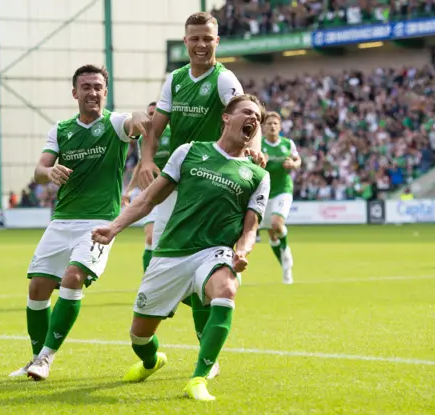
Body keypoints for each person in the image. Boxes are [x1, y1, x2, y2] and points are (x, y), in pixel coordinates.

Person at [93, 94, 270, 401]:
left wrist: (242, 252)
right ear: (227, 118)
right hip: (171, 253)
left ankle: (199, 377)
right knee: (140, 336)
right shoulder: (189, 152)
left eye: (258, 116)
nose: (253, 119)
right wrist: (114, 227)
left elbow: (250, 227)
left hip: (214, 252)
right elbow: (149, 199)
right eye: (246, 112)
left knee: (226, 289)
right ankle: (151, 360)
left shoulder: (258, 175)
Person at [137, 11, 266, 379]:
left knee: (204, 271)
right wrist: (146, 159)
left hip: (210, 185)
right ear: (186, 41)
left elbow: (247, 113)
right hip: (177, 176)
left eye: (207, 38)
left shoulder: (224, 78)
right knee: (156, 257)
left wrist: (253, 148)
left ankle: (206, 353)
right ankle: (149, 344)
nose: (200, 45)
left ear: (217, 41)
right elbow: (157, 126)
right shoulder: (175, 80)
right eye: (194, 38)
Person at [8, 64, 149, 380]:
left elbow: (135, 121)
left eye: (98, 86)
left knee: (72, 278)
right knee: (38, 286)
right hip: (61, 222)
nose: (93, 92)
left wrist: (140, 118)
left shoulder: (114, 124)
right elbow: (39, 170)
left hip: (98, 222)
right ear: (75, 93)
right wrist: (50, 173)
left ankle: (46, 358)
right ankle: (34, 359)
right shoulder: (60, 129)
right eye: (86, 87)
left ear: (105, 91)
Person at [122, 101, 171, 272]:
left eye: (155, 113)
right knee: (150, 237)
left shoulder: (175, 134)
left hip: (172, 192)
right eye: (149, 114)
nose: (151, 117)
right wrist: (128, 190)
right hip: (150, 191)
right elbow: (141, 164)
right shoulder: (144, 137)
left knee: (166, 239)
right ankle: (148, 281)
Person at [260, 112, 301, 284]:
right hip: (265, 191)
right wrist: (259, 163)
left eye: (275, 123)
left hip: (283, 189)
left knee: (277, 224)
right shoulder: (259, 145)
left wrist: (293, 164)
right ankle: (285, 266)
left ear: (280, 126)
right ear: (264, 127)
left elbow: (298, 160)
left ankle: (287, 258)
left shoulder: (287, 144)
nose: (272, 126)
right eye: (269, 123)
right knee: (272, 234)